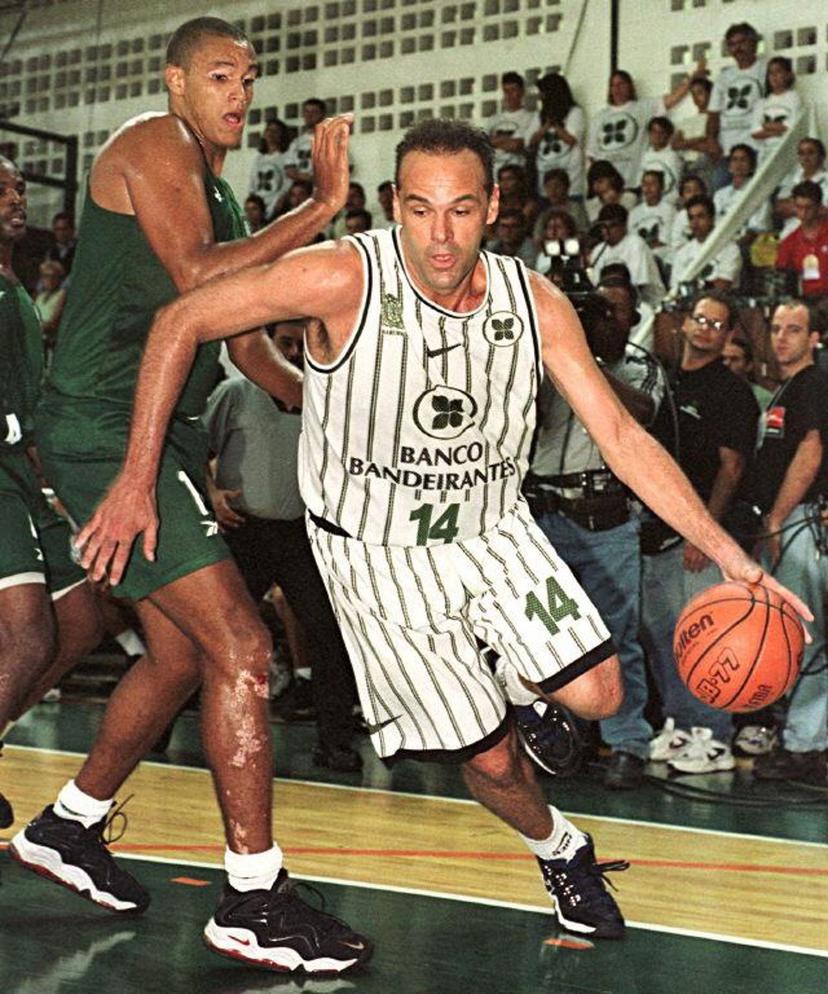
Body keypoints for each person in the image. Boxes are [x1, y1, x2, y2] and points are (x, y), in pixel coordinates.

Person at [73, 119, 810, 943]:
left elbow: (622, 435)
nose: (440, 235)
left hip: (493, 531)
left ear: (494, 205)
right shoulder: (339, 276)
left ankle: (519, 686)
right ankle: (562, 850)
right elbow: (180, 321)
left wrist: (725, 547)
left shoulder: (534, 301)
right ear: (394, 205)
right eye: (419, 210)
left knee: (599, 694)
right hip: (379, 560)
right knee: (491, 761)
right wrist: (137, 479)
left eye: (461, 210)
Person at [10, 17, 371, 975]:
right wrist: (323, 206)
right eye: (220, 76)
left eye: (247, 77)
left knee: (175, 658)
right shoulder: (153, 144)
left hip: (151, 427)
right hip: (101, 427)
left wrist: (318, 404)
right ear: (175, 83)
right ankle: (255, 896)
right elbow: (198, 276)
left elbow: (239, 334)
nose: (238, 93)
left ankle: (70, 826)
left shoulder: (211, 181)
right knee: (244, 646)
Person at [525, 279, 665, 790]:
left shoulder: (639, 366)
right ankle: (557, 741)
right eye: (585, 312)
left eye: (607, 314)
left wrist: (584, 362)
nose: (595, 321)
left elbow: (642, 415)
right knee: (541, 638)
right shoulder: (545, 357)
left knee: (616, 636)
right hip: (544, 513)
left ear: (625, 320)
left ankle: (628, 743)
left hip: (605, 517)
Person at [204, 320, 361, 772]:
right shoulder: (235, 393)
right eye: (285, 343)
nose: (292, 353)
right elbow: (193, 447)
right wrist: (211, 493)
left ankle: (334, 742)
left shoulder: (325, 400)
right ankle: (161, 729)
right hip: (243, 532)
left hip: (299, 536)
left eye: (300, 345)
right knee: (214, 636)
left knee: (329, 634)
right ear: (266, 346)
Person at [0, 156, 102, 829]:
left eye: (19, 185)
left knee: (90, 612)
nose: (17, 195)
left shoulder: (17, 286)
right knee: (31, 637)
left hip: (24, 476)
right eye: (2, 186)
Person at [641, 292, 759, 773]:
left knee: (704, 638)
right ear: (684, 324)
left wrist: (703, 533)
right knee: (660, 633)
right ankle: (680, 724)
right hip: (654, 529)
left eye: (718, 323)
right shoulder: (665, 381)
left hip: (700, 536)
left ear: (729, 334)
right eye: (700, 319)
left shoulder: (731, 392)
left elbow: (732, 468)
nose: (707, 329)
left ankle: (714, 735)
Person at [741, 301, 828, 785]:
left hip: (802, 519)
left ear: (815, 338)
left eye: (794, 330)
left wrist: (777, 517)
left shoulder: (813, 383)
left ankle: (805, 744)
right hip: (790, 517)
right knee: (802, 635)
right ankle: (804, 739)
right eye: (776, 329)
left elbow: (811, 449)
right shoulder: (788, 388)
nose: (782, 338)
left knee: (810, 637)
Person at [587, 67, 703, 192]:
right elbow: (592, 155)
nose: (617, 89)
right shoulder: (598, 118)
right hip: (606, 190)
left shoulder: (644, 107)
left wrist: (693, 78)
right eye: (613, 85)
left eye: (621, 84)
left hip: (633, 184)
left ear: (630, 86)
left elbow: (673, 98)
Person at [707, 22, 767, 190]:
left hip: (756, 148)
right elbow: (713, 114)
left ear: (754, 43)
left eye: (742, 42)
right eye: (732, 44)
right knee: (720, 193)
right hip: (727, 151)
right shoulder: (724, 77)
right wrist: (712, 141)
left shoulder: (767, 70)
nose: (737, 48)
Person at [589, 203, 665, 307]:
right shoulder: (598, 251)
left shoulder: (636, 244)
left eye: (612, 226)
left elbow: (638, 287)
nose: (606, 231)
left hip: (646, 305)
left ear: (624, 225)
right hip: (612, 306)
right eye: (603, 227)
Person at [529, 73, 585, 198]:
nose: (540, 97)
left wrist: (556, 124)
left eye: (543, 93)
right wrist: (546, 126)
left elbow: (571, 140)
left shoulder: (575, 112)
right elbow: (531, 141)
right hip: (545, 178)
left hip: (570, 178)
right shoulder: (539, 116)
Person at [670, 194, 742, 292]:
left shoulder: (730, 249)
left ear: (712, 219)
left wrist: (693, 286)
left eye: (700, 216)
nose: (695, 223)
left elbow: (723, 285)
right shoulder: (682, 253)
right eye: (691, 218)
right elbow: (676, 288)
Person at [775, 181, 828, 299]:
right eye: (799, 207)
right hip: (809, 302)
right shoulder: (789, 242)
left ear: (819, 207)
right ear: (793, 206)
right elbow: (784, 280)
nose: (803, 213)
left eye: (808, 208)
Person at [483, 71, 536, 178]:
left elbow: (518, 145)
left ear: (521, 92)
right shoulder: (493, 119)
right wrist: (508, 139)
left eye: (513, 90)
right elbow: (483, 144)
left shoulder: (532, 117)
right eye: (506, 91)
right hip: (495, 176)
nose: (509, 95)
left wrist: (495, 141)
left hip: (518, 176)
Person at [750, 57, 802, 165]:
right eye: (771, 73)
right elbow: (755, 132)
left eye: (778, 71)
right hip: (765, 153)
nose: (774, 76)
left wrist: (765, 125)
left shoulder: (793, 97)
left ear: (788, 75)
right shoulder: (761, 103)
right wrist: (777, 131)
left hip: (786, 151)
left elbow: (791, 127)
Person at [775, 138, 828, 236]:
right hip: (789, 234)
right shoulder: (792, 178)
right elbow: (779, 208)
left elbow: (825, 213)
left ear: (822, 156)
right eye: (802, 153)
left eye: (811, 153)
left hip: (819, 236)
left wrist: (793, 205)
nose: (806, 157)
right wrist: (811, 208)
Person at [672, 77, 718, 189]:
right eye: (693, 94)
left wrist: (685, 143)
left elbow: (710, 146)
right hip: (685, 166)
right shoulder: (685, 121)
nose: (696, 97)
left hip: (704, 165)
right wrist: (699, 140)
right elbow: (674, 145)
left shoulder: (714, 118)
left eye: (700, 92)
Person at [628, 170, 677, 267]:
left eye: (652, 183)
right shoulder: (634, 213)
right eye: (645, 184)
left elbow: (664, 242)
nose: (648, 188)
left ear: (662, 187)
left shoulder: (670, 210)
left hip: (661, 256)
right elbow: (632, 242)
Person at [247, 117, 291, 220]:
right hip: (258, 205)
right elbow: (253, 182)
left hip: (276, 204)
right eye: (269, 130)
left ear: (282, 135)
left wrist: (279, 202)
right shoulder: (259, 158)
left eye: (276, 131)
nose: (271, 134)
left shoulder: (286, 157)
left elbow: (287, 183)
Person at [634, 117, 682, 203]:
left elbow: (673, 184)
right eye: (654, 131)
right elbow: (639, 181)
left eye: (661, 132)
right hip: (646, 202)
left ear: (668, 135)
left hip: (667, 201)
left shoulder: (673, 156)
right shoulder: (645, 156)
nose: (657, 135)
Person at [722, 335, 774, 409]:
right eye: (723, 358)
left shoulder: (762, 398)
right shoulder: (711, 391)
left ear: (749, 365)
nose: (726, 363)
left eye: (734, 359)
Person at [44, 211, 76, 277]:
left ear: (72, 230)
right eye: (57, 229)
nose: (61, 233)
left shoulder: (79, 250)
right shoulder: (50, 250)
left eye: (64, 229)